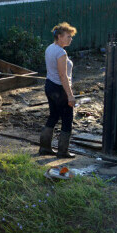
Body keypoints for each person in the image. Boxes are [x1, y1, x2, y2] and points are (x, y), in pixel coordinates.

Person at [39, 22, 77, 158]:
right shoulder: (61, 53)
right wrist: (70, 95)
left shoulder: (50, 48)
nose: (70, 39)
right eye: (68, 36)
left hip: (49, 85)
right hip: (59, 89)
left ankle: (44, 148)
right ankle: (62, 151)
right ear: (59, 37)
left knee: (54, 116)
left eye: (71, 37)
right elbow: (63, 75)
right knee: (67, 118)